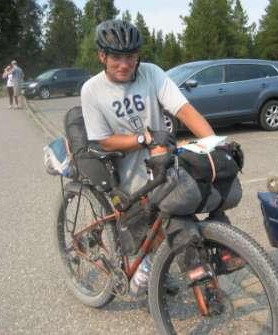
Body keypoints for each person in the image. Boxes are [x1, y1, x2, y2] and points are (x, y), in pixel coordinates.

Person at [81, 19, 222, 296]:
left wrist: (213, 143)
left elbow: (184, 110)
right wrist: (142, 139)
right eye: (117, 57)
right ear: (102, 56)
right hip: (124, 168)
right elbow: (102, 139)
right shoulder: (92, 90)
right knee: (151, 223)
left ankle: (156, 266)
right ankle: (145, 268)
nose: (125, 64)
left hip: (161, 163)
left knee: (181, 208)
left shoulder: (151, 73)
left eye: (131, 57)